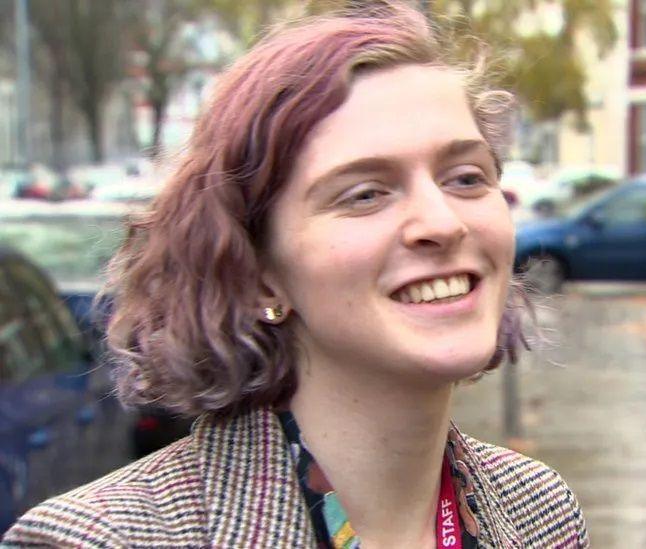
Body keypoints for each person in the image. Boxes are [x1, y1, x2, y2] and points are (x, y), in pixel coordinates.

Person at [1, 2, 588, 548]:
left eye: (465, 177)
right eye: (365, 194)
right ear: (258, 273)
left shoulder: (541, 510)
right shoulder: (103, 539)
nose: (442, 222)